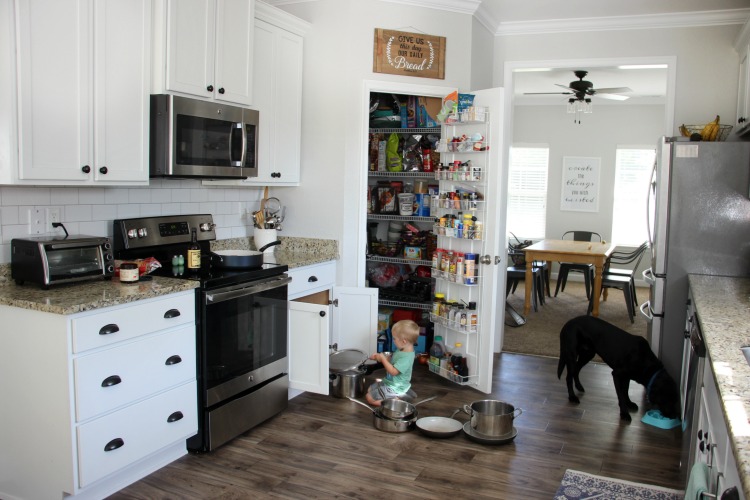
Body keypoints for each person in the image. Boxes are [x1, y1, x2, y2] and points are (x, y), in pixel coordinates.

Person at [365, 319, 420, 407]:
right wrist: (381, 357)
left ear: (404, 341)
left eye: (394, 338)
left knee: (369, 397)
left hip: (395, 388)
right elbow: (393, 359)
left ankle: (394, 401)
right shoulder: (402, 349)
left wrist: (383, 359)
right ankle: (404, 395)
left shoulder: (406, 358)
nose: (393, 340)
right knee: (369, 389)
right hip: (390, 382)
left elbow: (393, 372)